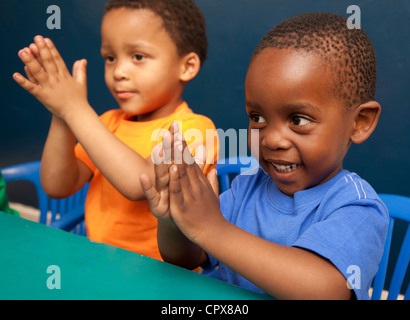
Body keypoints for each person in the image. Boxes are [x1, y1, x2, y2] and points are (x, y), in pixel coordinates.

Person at [140, 12, 389, 299]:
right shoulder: (248, 186)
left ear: (360, 122)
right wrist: (176, 221)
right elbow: (186, 258)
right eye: (257, 117)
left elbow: (326, 290)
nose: (271, 139)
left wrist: (213, 229)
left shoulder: (358, 209)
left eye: (298, 119)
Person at [12, 0, 218, 260]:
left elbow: (138, 183)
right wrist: (62, 113)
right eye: (110, 58)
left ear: (186, 66)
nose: (119, 71)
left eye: (138, 57)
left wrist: (75, 109)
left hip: (166, 278)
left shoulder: (195, 130)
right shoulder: (107, 123)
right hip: (100, 266)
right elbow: (57, 185)